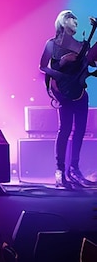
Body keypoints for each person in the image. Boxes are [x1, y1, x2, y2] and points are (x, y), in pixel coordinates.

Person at [39, 10, 97, 188]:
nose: (75, 21)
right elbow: (42, 67)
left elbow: (89, 64)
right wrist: (61, 66)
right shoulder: (52, 44)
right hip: (63, 92)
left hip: (80, 92)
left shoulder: (82, 46)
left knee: (80, 131)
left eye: (77, 19)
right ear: (63, 22)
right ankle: (60, 171)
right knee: (64, 130)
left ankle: (74, 170)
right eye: (72, 18)